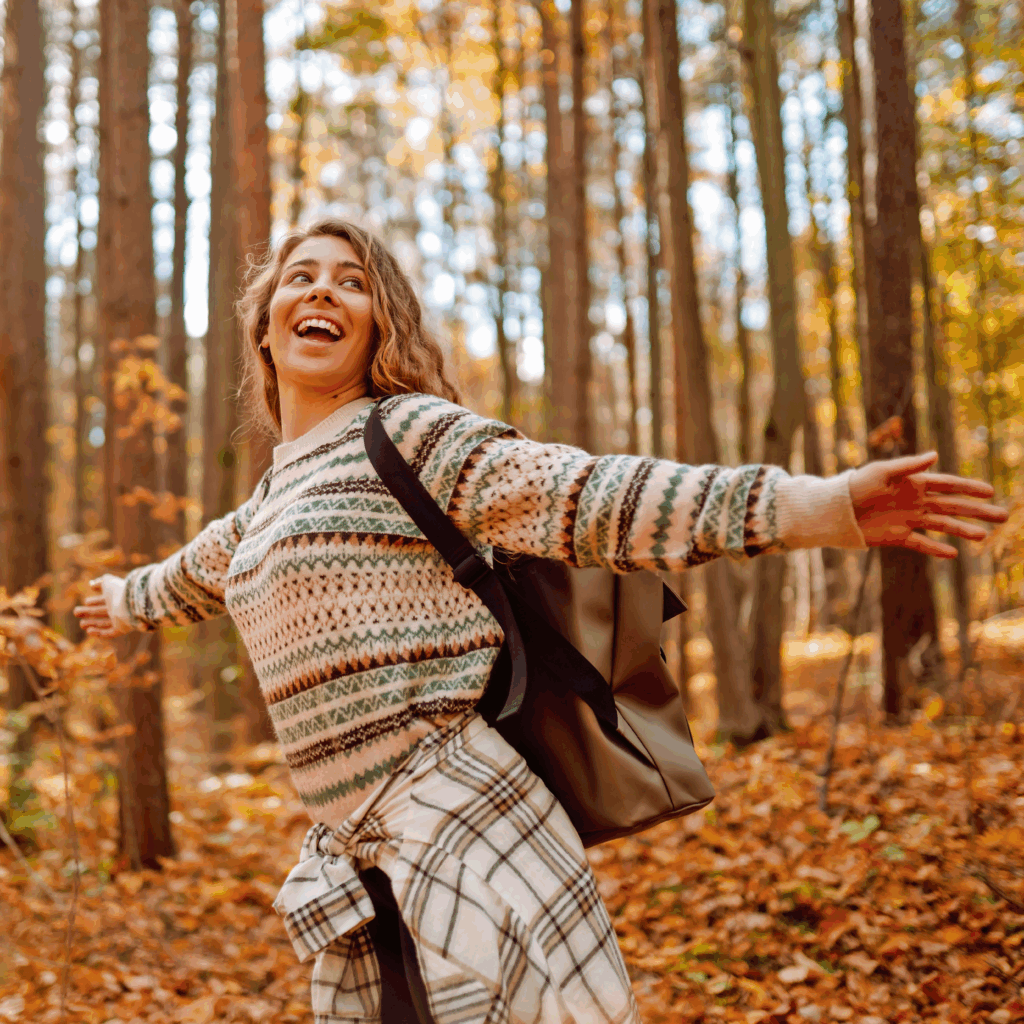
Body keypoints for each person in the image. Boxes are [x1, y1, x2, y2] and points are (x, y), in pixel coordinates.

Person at [75, 218, 1006, 1024]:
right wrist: (116, 601)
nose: (323, 291)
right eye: (302, 277)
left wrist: (817, 507)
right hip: (357, 871)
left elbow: (592, 496)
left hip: (464, 822)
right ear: (266, 327)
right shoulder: (264, 505)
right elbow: (183, 580)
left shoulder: (410, 434)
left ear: (379, 324)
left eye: (352, 282)